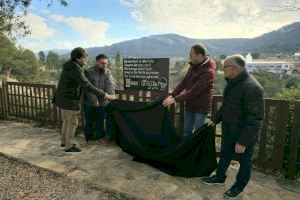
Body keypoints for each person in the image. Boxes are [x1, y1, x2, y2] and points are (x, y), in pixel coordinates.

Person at [201, 54, 265, 199]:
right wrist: (215, 119)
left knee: (244, 163)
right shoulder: (233, 83)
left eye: (224, 67)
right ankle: (219, 177)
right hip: (229, 130)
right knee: (225, 155)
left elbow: (255, 118)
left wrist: (243, 141)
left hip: (243, 135)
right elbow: (226, 106)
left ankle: (238, 187)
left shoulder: (252, 87)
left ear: (234, 68)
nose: (222, 70)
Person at [52, 47, 116, 153]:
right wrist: (105, 95)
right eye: (85, 57)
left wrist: (108, 95)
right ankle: (69, 145)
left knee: (66, 121)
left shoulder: (69, 65)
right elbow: (87, 85)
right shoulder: (76, 68)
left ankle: (64, 142)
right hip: (70, 99)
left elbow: (109, 84)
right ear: (78, 58)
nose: (86, 59)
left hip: (62, 99)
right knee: (72, 123)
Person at [162, 44, 216, 137]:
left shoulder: (208, 72)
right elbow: (183, 83)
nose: (189, 57)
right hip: (190, 104)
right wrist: (173, 95)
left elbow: (194, 91)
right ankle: (187, 150)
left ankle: (196, 151)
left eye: (191, 55)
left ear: (199, 56)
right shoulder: (193, 66)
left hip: (201, 107)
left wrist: (174, 100)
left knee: (197, 133)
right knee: (187, 131)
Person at [83, 54, 115, 147]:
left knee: (100, 121)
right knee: (89, 121)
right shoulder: (88, 72)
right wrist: (94, 101)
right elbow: (88, 88)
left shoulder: (107, 72)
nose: (105, 65)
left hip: (103, 102)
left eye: (106, 63)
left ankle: (100, 137)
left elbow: (110, 85)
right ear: (97, 62)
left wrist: (111, 95)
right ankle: (89, 139)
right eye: (102, 63)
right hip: (89, 102)